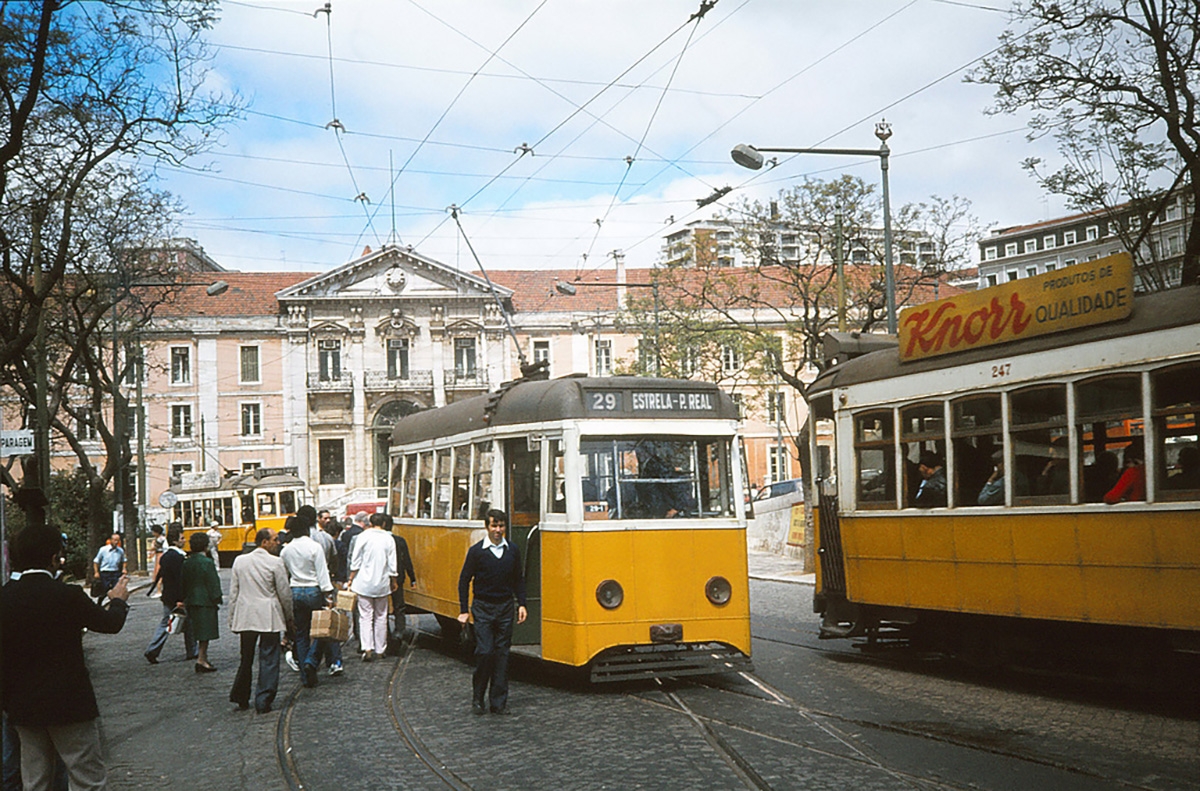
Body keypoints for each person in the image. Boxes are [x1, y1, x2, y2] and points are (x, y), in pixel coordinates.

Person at [1, 525, 130, 790]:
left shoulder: (5, 597)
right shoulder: (68, 595)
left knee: (35, 779)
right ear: (53, 558)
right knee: (86, 777)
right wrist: (118, 600)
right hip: (69, 703)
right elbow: (109, 624)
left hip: (22, 705)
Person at [457, 509, 527, 715]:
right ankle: (478, 697)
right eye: (494, 526)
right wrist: (464, 610)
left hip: (505, 607)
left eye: (501, 526)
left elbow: (518, 579)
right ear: (487, 527)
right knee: (485, 652)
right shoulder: (477, 552)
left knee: (502, 654)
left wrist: (522, 604)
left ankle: (498, 702)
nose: (498, 530)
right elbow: (464, 580)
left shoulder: (512, 550)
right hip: (483, 607)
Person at [228, 529, 294, 714]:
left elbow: (234, 593)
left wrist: (232, 618)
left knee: (246, 657)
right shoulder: (275, 562)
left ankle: (241, 695)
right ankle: (263, 698)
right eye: (275, 539)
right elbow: (284, 593)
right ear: (264, 542)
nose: (278, 542)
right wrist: (289, 618)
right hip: (268, 615)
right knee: (269, 658)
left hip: (246, 614)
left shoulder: (240, 561)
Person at [280, 514, 335, 687]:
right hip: (313, 590)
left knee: (301, 633)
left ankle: (305, 674)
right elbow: (322, 572)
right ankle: (311, 660)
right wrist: (328, 594)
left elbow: (284, 574)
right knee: (321, 631)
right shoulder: (314, 547)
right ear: (306, 530)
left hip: (295, 591)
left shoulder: (286, 550)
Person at [347, 511, 397, 662]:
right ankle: (381, 649)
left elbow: (355, 561)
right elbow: (392, 564)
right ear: (383, 523)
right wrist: (393, 581)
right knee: (381, 616)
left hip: (363, 583)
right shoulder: (388, 538)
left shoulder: (362, 537)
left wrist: (351, 578)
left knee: (365, 616)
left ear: (370, 523)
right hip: (382, 583)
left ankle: (367, 647)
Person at [144, 523, 197, 664]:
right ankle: (191, 650)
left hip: (167, 595)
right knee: (183, 623)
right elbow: (180, 580)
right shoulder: (178, 557)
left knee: (170, 623)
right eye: (182, 538)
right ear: (175, 541)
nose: (184, 540)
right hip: (177, 596)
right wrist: (181, 598)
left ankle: (154, 649)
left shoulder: (166, 556)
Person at [182, 532, 222, 672]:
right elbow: (213, 582)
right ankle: (202, 658)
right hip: (205, 600)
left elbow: (183, 582)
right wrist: (217, 597)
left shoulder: (187, 562)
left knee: (197, 630)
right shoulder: (207, 563)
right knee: (205, 633)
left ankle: (202, 658)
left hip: (191, 599)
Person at [382, 512, 417, 648]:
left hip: (381, 577)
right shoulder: (399, 540)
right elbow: (407, 560)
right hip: (399, 576)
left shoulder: (378, 540)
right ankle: (399, 631)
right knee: (399, 606)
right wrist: (412, 578)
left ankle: (385, 633)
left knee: (382, 607)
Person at [91, 532, 125, 603]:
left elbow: (124, 560)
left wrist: (124, 569)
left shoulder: (120, 551)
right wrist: (96, 572)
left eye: (118, 540)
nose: (116, 542)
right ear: (111, 540)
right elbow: (96, 561)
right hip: (105, 572)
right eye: (115, 540)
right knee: (105, 589)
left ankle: (115, 603)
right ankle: (100, 602)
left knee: (116, 589)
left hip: (115, 572)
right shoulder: (103, 550)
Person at [148, 524, 166, 598]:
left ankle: (159, 590)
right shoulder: (161, 538)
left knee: (158, 572)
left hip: (160, 555)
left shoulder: (160, 539)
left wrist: (152, 547)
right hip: (159, 554)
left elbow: (155, 547)